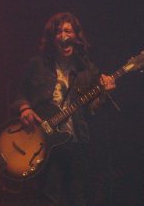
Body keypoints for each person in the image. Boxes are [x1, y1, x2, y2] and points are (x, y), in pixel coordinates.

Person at [11, 12, 116, 206]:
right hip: (43, 143)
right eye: (58, 32)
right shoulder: (37, 64)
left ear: (76, 37)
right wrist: (24, 108)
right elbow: (19, 93)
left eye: (68, 31)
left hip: (76, 142)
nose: (63, 35)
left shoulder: (87, 69)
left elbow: (92, 109)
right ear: (52, 38)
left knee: (78, 197)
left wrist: (103, 94)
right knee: (50, 197)